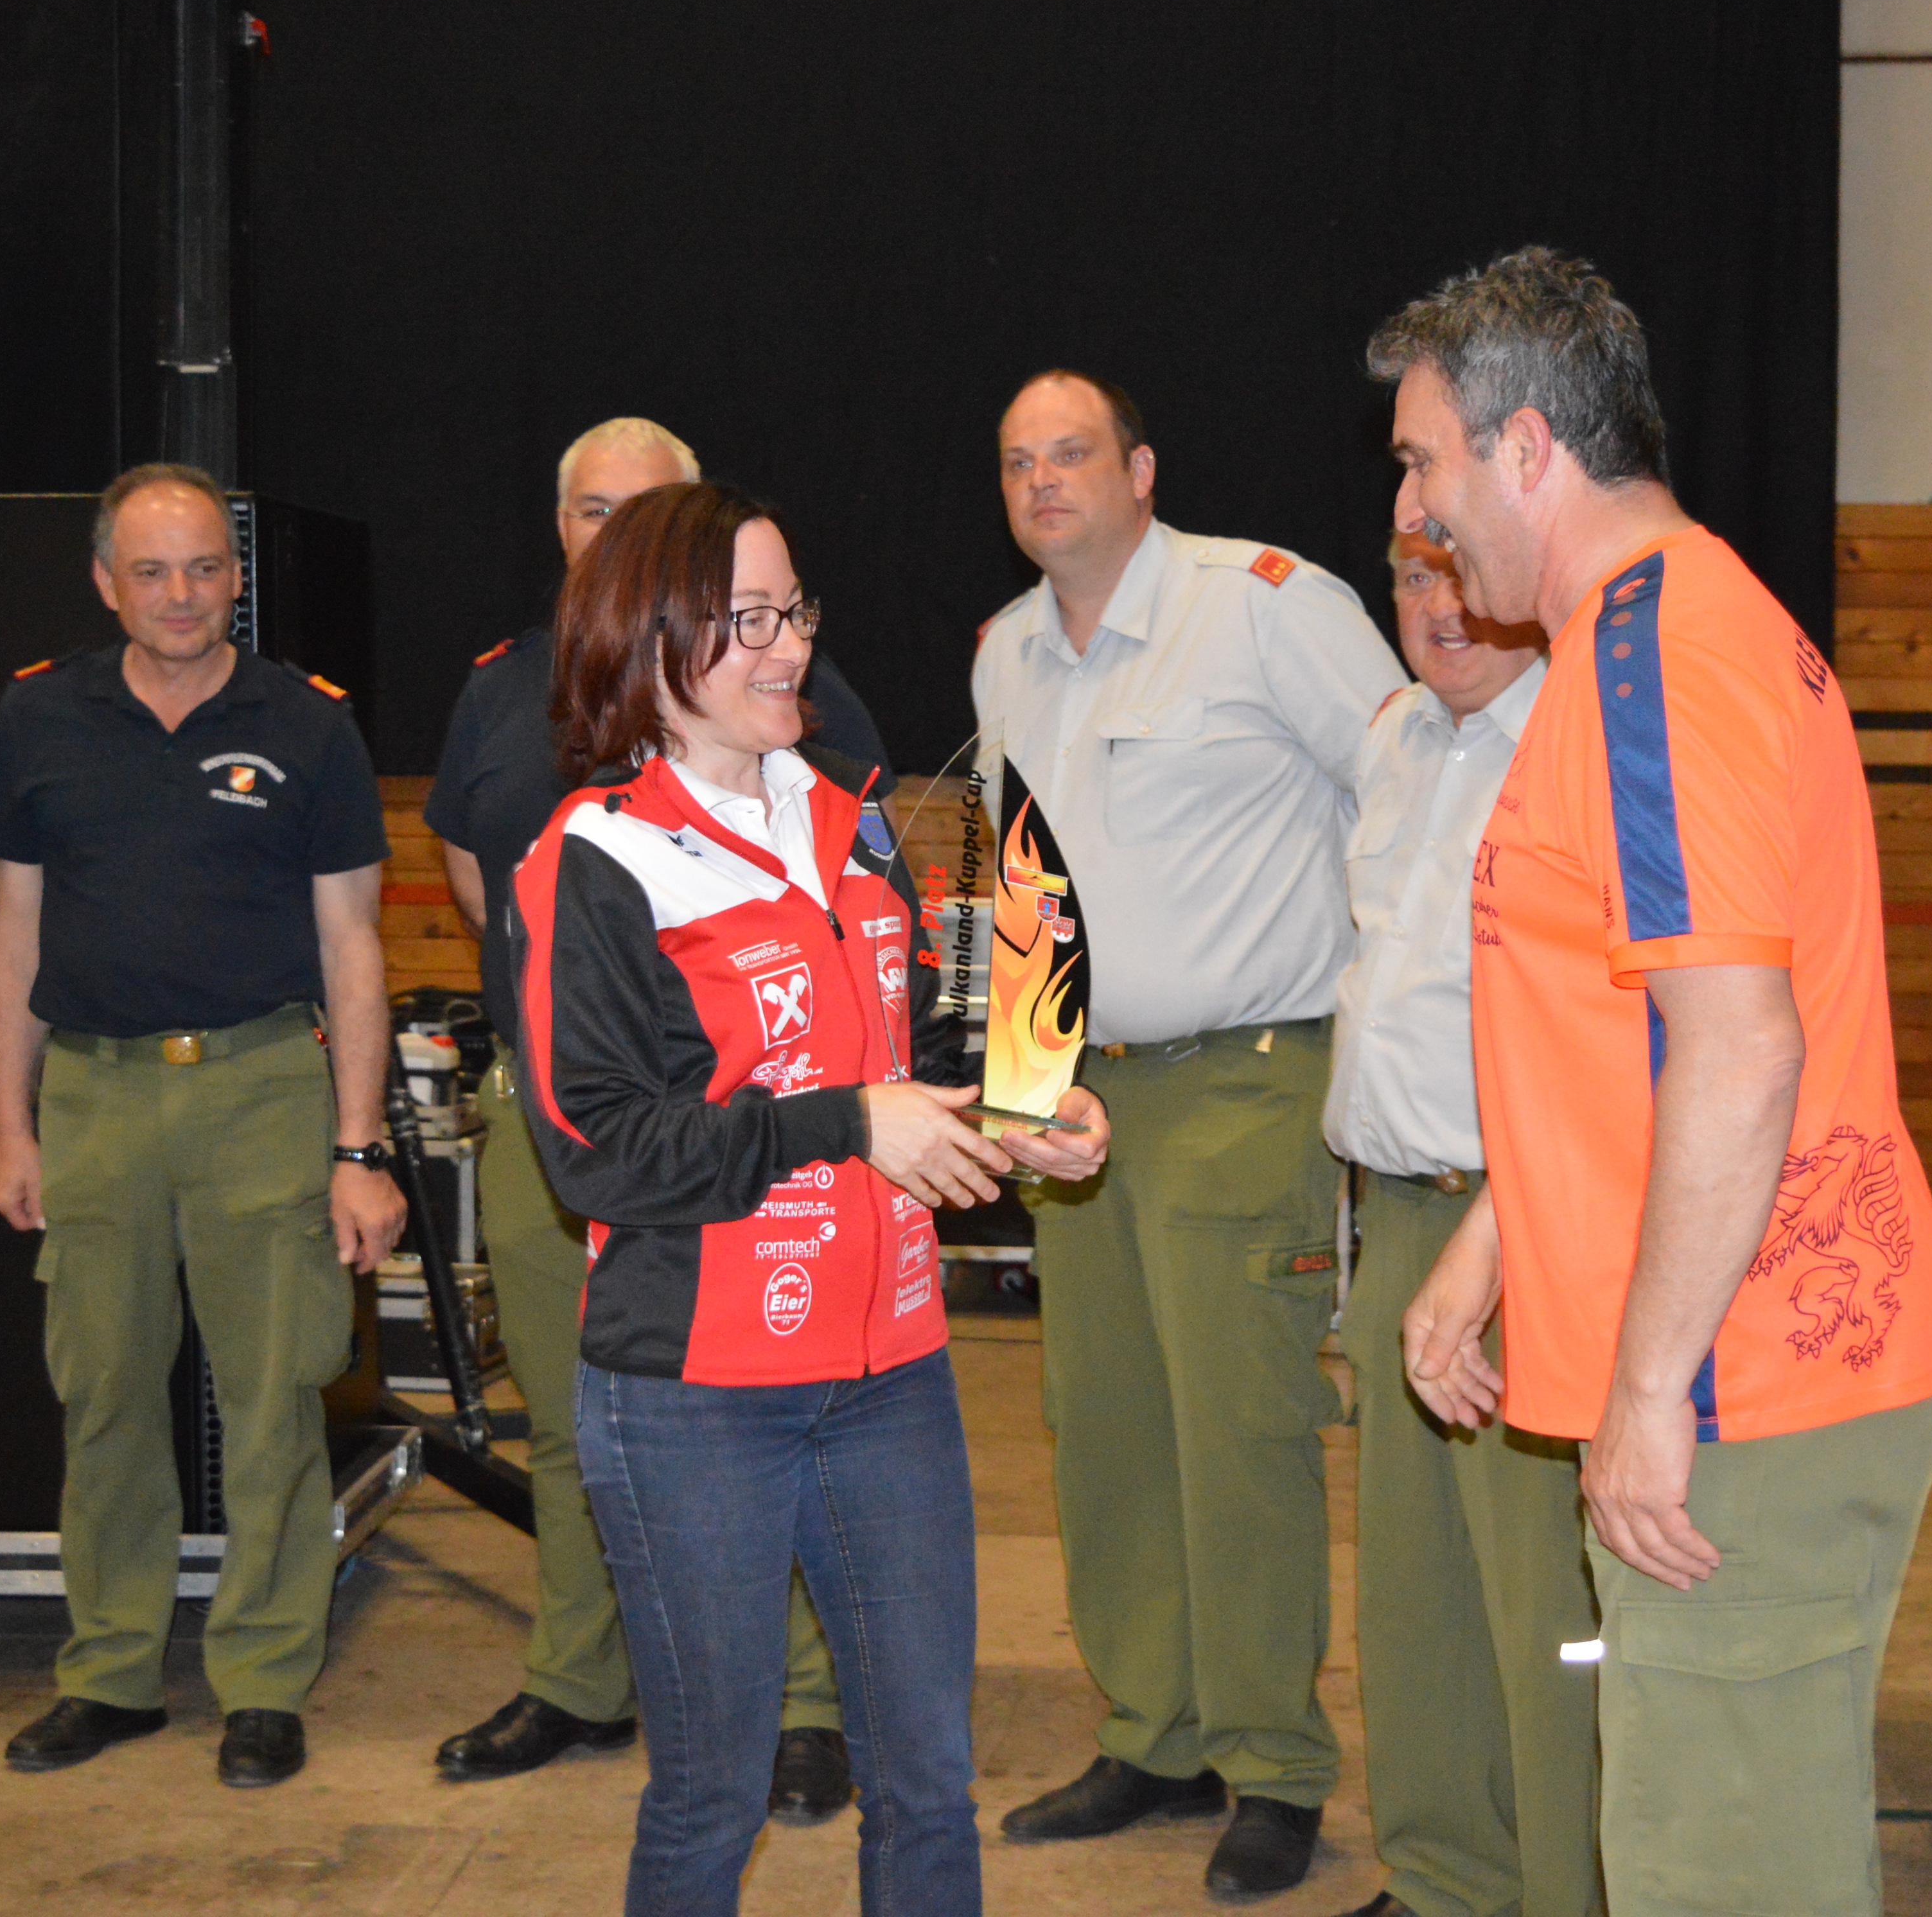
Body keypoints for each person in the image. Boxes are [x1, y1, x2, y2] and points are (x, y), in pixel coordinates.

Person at [1368, 249, 1932, 1917]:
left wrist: (1648, 1397)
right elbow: (1627, 1032)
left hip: (1742, 1388)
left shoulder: (1653, 660)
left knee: (1722, 1877)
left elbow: (1741, 1046)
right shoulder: (1652, 639)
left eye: (1422, 463)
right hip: (1748, 1368)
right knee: (1736, 1848)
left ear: (1527, 449)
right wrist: (1493, 1248)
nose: (1413, 512)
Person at [509, 480, 1106, 1916]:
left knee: (929, 1782)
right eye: (749, 621)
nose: (791, 647)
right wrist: (848, 1124)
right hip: (695, 1397)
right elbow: (598, 1151)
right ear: (650, 636)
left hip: (893, 1376)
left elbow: (929, 1056)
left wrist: (1024, 1115)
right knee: (712, 1794)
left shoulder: (869, 822)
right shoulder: (593, 858)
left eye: (796, 612)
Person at [975, 371, 1406, 1898]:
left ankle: (1275, 1767)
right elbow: (1024, 887)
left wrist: (1394, 1026)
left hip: (1248, 1079)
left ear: (1142, 469)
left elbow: (1412, 798)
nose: (1045, 481)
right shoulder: (1006, 651)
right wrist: (1020, 1094)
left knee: (1241, 1436)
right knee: (1103, 1432)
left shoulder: (1269, 607)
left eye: (1073, 453)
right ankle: (1153, 1734)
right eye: (1018, 462)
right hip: (1081, 1098)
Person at [424, 417, 885, 1815]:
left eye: (647, 508)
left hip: (754, 1132)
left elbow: (853, 889)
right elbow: (474, 876)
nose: (612, 532)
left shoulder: (786, 684)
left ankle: (804, 1705)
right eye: (590, 509)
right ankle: (581, 1676)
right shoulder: (500, 689)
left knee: (777, 1414)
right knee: (576, 1412)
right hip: (556, 1114)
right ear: (557, 525)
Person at [0, 462, 407, 1789]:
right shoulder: (37, 716)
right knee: (102, 1393)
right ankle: (109, 1672)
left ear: (237, 578)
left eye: (205, 568)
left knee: (270, 1403)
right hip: (94, 1097)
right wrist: (10, 1127)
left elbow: (353, 946)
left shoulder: (309, 724)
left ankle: (263, 1680)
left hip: (261, 1088)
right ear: (107, 582)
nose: (181, 594)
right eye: (152, 571)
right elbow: (14, 934)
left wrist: (359, 1146)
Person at [1323, 531, 1597, 1917]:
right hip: (1400, 1217)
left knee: (1542, 1602)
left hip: (1528, 1224)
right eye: (1408, 580)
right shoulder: (1396, 741)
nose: (1435, 608)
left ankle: (1563, 1887)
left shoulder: (1580, 747)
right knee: (1417, 1590)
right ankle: (1444, 1878)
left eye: (1454, 574)